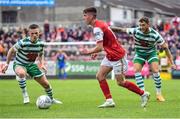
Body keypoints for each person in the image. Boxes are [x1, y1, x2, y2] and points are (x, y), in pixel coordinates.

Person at [81, 7, 150, 108]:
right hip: (110, 55)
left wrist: (89, 51)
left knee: (121, 82)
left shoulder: (97, 28)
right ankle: (109, 100)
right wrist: (97, 50)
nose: (84, 18)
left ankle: (143, 94)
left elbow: (99, 47)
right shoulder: (100, 24)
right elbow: (105, 42)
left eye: (85, 15)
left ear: (91, 16)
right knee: (100, 76)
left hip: (117, 56)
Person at [111, 17, 176, 102]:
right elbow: (121, 30)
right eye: (140, 25)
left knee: (155, 70)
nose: (141, 27)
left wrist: (171, 62)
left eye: (143, 25)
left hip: (151, 53)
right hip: (139, 54)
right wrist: (107, 28)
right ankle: (143, 93)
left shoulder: (155, 34)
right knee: (136, 70)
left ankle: (159, 94)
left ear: (148, 25)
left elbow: (166, 47)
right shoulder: (136, 30)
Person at [1, 24, 62, 104]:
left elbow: (40, 54)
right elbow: (11, 51)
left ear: (39, 33)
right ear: (29, 34)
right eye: (32, 33)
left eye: (36, 33)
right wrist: (7, 64)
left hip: (31, 65)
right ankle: (25, 95)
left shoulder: (40, 43)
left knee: (46, 84)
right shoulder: (22, 42)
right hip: (20, 63)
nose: (34, 35)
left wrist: (42, 64)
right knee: (22, 73)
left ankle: (51, 99)